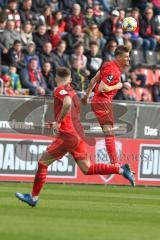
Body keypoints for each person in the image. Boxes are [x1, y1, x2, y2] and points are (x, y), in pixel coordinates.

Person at [16, 66, 135, 207]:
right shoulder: (73, 92)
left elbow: (66, 102)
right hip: (78, 135)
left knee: (42, 164)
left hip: (68, 136)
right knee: (87, 169)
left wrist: (58, 122)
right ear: (70, 79)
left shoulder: (60, 89)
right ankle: (121, 169)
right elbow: (72, 111)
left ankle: (33, 198)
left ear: (56, 78)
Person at [82, 45, 131, 166]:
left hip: (99, 101)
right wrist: (118, 86)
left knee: (109, 132)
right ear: (119, 57)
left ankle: (114, 162)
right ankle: (115, 163)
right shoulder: (112, 70)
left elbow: (93, 80)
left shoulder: (107, 64)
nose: (128, 59)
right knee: (109, 133)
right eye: (126, 57)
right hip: (102, 102)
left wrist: (86, 96)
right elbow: (102, 87)